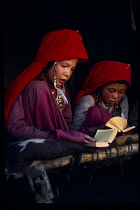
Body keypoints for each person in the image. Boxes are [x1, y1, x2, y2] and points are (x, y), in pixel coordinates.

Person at [4, 29, 95, 144]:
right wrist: (55, 135)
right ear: (49, 63)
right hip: (38, 142)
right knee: (38, 87)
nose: (68, 73)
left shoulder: (62, 89)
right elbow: (16, 128)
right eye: (64, 66)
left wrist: (76, 135)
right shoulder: (30, 86)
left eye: (72, 69)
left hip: (62, 142)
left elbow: (67, 124)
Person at [73, 60, 132, 136]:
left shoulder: (122, 99)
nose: (116, 96)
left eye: (121, 92)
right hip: (90, 138)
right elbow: (76, 128)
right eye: (111, 91)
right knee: (95, 111)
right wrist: (101, 129)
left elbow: (123, 122)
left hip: (114, 138)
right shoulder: (88, 100)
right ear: (100, 87)